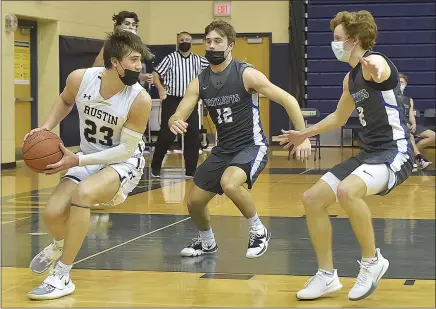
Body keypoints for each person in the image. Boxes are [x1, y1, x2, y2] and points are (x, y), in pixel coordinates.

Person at [279, 10, 413, 301]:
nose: (334, 43)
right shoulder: (350, 79)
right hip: (369, 154)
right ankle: (327, 276)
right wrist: (305, 133)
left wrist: (375, 68)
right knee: (312, 199)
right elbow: (339, 118)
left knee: (346, 191)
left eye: (338, 39)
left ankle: (372, 261)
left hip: (395, 152)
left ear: (354, 40)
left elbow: (376, 66)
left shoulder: (375, 64)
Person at [26, 31, 152, 300]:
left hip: (122, 163)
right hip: (88, 155)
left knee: (83, 194)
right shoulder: (80, 79)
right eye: (134, 60)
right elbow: (64, 100)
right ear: (115, 62)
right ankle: (60, 244)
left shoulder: (139, 98)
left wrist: (77, 160)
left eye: (140, 60)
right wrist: (44, 129)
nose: (139, 67)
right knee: (51, 214)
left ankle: (62, 275)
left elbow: (127, 149)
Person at [169, 20, 311, 259]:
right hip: (223, 150)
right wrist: (174, 119)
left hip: (251, 146)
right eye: (208, 41)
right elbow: (180, 110)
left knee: (230, 183)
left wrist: (303, 136)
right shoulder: (199, 81)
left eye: (218, 41)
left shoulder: (246, 74)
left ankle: (258, 230)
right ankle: (207, 243)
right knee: (194, 202)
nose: (212, 46)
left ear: (230, 45)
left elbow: (288, 99)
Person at [151, 31, 210, 178]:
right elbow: (156, 73)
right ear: (178, 42)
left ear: (191, 42)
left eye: (188, 39)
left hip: (190, 101)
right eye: (182, 40)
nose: (185, 42)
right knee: (167, 135)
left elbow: (214, 67)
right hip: (172, 100)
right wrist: (160, 88)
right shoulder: (171, 58)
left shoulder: (198, 60)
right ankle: (156, 166)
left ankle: (191, 171)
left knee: (193, 136)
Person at [93, 11, 154, 86]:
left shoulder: (136, 46)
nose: (131, 27)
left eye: (134, 25)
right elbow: (96, 68)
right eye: (127, 24)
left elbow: (128, 71)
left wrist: (142, 76)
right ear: (118, 27)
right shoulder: (111, 44)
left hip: (128, 87)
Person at [399, 73, 433, 169]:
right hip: (400, 124)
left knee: (432, 136)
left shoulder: (409, 100)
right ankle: (419, 158)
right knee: (410, 136)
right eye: (398, 82)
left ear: (406, 84)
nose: (400, 84)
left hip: (409, 123)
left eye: (402, 82)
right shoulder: (392, 98)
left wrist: (413, 124)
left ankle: (412, 156)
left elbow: (410, 115)